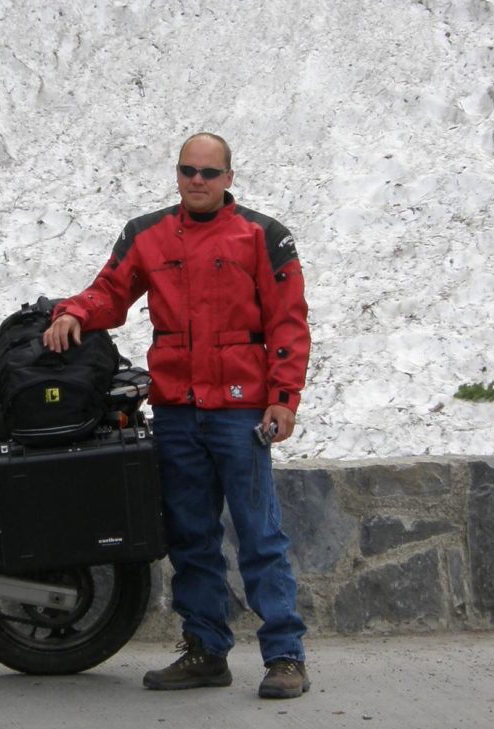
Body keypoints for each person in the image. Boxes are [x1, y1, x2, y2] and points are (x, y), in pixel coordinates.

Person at [42, 133, 311, 699]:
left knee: (260, 536)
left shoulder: (264, 236)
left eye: (209, 173)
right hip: (177, 412)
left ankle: (285, 656)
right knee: (191, 538)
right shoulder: (148, 234)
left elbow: (289, 322)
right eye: (188, 170)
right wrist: (72, 313)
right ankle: (206, 651)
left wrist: (283, 398)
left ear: (229, 178)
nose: (197, 180)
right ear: (177, 173)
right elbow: (110, 293)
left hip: (242, 413)